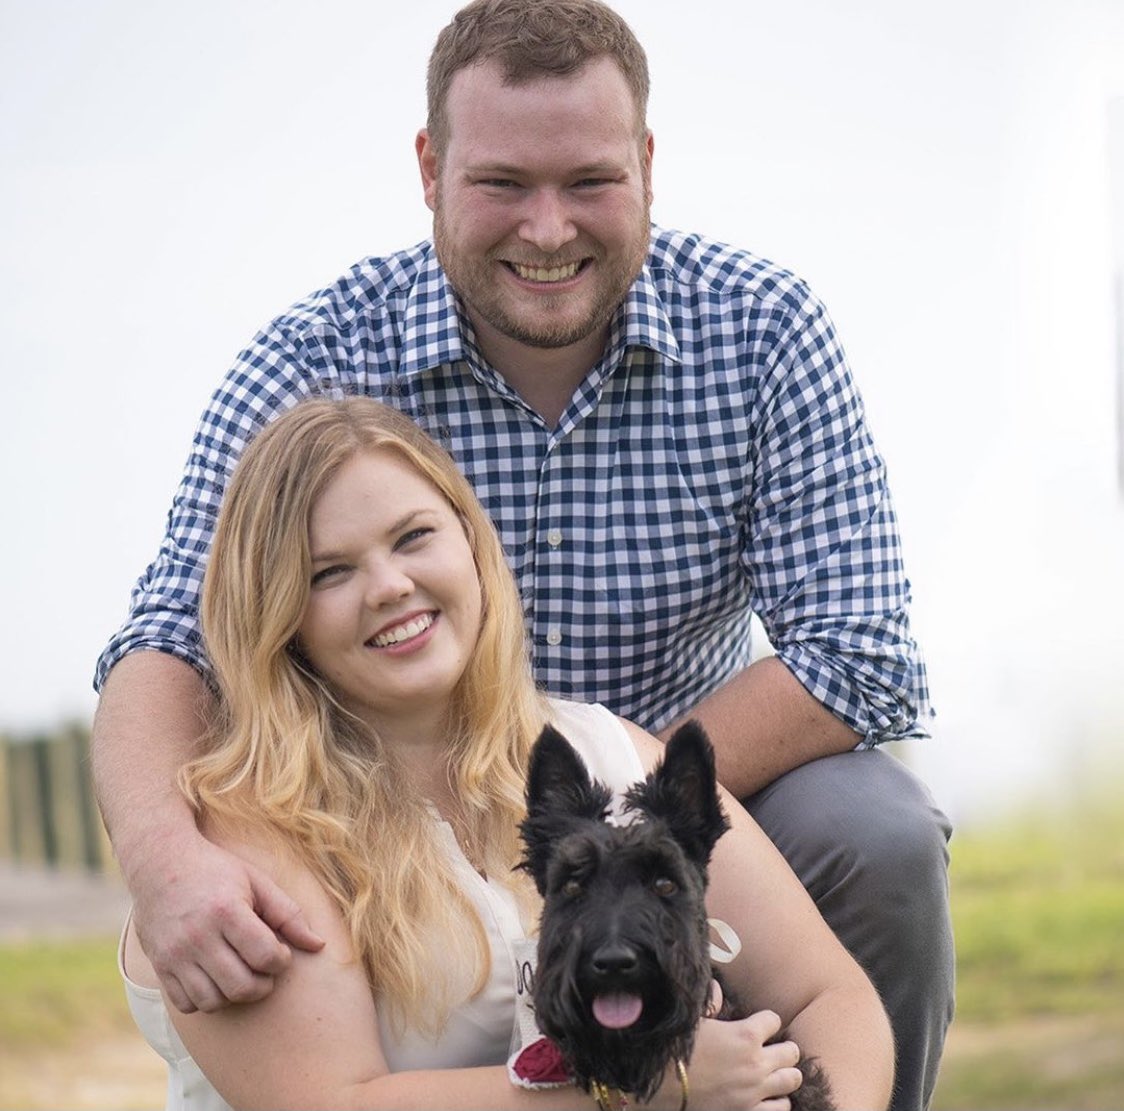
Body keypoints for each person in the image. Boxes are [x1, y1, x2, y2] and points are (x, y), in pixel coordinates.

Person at [93, 2, 953, 1108]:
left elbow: (857, 654)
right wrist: (167, 854)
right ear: (429, 167)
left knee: (871, 831)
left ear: (645, 163)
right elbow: (172, 633)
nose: (546, 229)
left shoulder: (760, 328)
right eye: (502, 184)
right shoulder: (315, 359)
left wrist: (630, 836)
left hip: (657, 777)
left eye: (588, 181)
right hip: (391, 792)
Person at [118, 395, 894, 1110]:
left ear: (473, 542)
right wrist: (642, 1092)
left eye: (413, 536)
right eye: (329, 572)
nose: (389, 585)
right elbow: (332, 1102)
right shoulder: (250, 837)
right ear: (278, 616)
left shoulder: (603, 752)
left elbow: (831, 996)